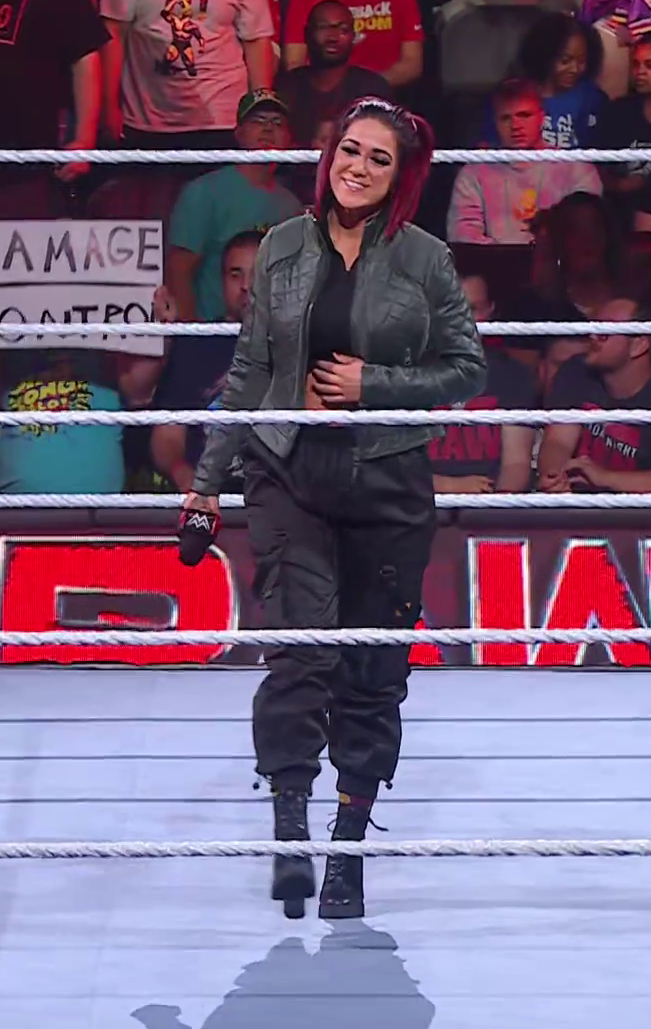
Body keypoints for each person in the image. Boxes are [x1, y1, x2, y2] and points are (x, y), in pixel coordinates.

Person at [183, 97, 486, 921]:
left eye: (378, 158)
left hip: (387, 478)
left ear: (401, 175)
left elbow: (466, 368)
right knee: (301, 651)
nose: (357, 167)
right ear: (330, 155)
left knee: (371, 670)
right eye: (350, 150)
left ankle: (348, 848)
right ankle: (290, 828)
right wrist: (208, 481)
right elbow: (248, 370)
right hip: (289, 469)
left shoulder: (424, 259)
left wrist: (371, 385)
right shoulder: (282, 245)